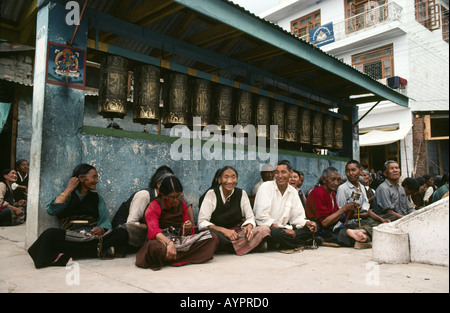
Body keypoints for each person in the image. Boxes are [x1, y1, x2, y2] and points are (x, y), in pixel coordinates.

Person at [27, 164, 129, 269]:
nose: (97, 181)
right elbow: (52, 210)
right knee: (50, 234)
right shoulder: (68, 195)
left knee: (122, 232)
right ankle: (97, 250)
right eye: (94, 177)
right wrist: (68, 189)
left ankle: (75, 253)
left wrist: (101, 229)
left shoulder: (97, 198)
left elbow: (105, 221)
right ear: (81, 178)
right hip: (72, 237)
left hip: (91, 236)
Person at [135, 175, 218, 270]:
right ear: (163, 195)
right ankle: (179, 256)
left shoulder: (182, 204)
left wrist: (187, 228)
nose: (175, 200)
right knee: (156, 249)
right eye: (171, 197)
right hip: (162, 241)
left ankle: (171, 257)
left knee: (212, 237)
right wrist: (169, 243)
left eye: (178, 196)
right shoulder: (154, 206)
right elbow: (155, 232)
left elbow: (188, 232)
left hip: (179, 240)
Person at [198, 166, 271, 255]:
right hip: (219, 233)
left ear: (237, 179)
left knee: (264, 229)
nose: (230, 181)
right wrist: (223, 230)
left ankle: (231, 247)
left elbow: (250, 217)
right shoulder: (211, 194)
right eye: (226, 177)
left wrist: (249, 226)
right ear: (219, 179)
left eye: (233, 177)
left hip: (237, 233)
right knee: (211, 236)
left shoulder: (241, 194)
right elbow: (202, 222)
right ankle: (245, 246)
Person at [253, 160, 319, 250]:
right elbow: (261, 217)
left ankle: (281, 243)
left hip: (286, 230)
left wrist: (307, 223)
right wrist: (283, 229)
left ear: (290, 173)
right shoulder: (265, 187)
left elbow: (297, 217)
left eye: (283, 172)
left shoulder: (293, 192)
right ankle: (299, 243)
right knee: (276, 233)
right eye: (277, 172)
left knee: (313, 228)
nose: (280, 176)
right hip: (270, 228)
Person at [306, 167, 369, 247]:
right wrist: (344, 208)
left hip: (331, 226)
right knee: (357, 238)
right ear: (323, 179)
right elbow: (324, 223)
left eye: (338, 180)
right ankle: (349, 232)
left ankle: (351, 232)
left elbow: (335, 214)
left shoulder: (331, 193)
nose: (336, 183)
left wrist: (350, 209)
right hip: (320, 228)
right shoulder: (318, 192)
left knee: (365, 230)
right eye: (333, 179)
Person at [336, 161, 390, 239]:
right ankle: (360, 233)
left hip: (363, 221)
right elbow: (341, 214)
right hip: (351, 223)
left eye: (353, 170)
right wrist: (362, 215)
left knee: (386, 221)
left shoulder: (361, 187)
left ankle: (363, 232)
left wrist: (382, 220)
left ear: (360, 171)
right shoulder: (342, 189)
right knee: (378, 228)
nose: (350, 173)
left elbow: (366, 209)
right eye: (348, 171)